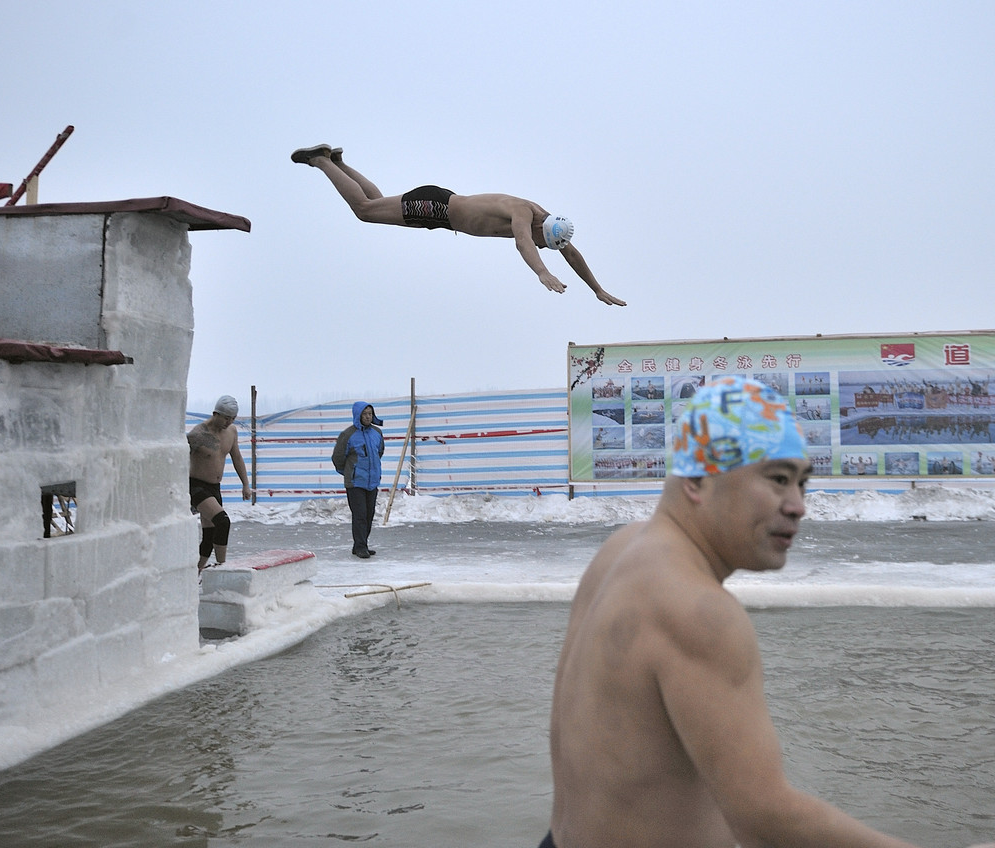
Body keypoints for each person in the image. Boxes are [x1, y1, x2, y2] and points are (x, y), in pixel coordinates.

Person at [541, 376, 993, 848]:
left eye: (802, 482)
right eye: (777, 479)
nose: (798, 506)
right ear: (698, 479)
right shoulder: (698, 612)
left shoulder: (620, 552)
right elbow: (763, 819)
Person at [291, 144, 626, 306]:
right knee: (364, 210)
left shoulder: (546, 220)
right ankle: (320, 160)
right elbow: (523, 243)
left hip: (439, 211)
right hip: (437, 207)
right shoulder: (524, 214)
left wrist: (596, 288)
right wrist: (541, 272)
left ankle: (339, 162)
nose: (541, 247)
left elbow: (571, 254)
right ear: (543, 231)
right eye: (543, 244)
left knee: (377, 203)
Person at [187, 395, 252, 572]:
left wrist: (245, 484)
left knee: (210, 535)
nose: (228, 422)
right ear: (215, 413)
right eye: (225, 418)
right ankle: (223, 567)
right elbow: (180, 461)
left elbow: (237, 457)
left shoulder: (231, 432)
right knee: (223, 522)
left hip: (215, 488)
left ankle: (195, 572)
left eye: (232, 419)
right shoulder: (198, 434)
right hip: (196, 486)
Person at [332, 400, 385, 559]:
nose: (368, 417)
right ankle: (361, 546)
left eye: (370, 414)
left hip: (372, 481)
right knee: (360, 514)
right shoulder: (348, 435)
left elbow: (379, 452)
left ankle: (360, 545)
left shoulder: (377, 433)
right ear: (358, 415)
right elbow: (338, 458)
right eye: (365, 414)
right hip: (355, 482)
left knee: (369, 514)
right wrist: (349, 472)